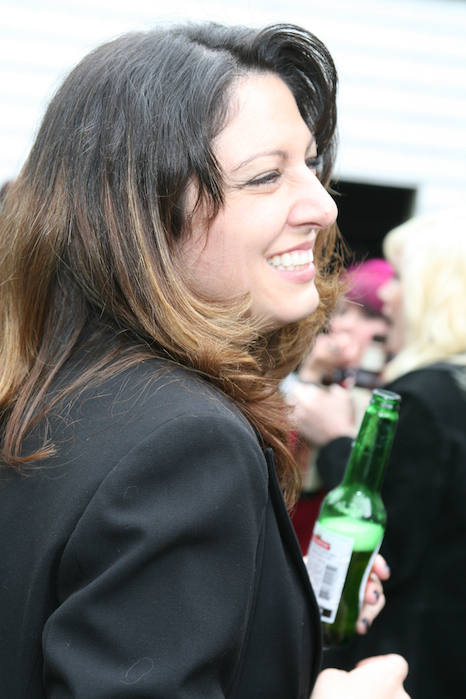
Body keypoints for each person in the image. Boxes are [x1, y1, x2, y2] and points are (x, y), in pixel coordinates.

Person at [0, 21, 409, 699]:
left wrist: (277, 600)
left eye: (310, 164)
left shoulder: (49, 386)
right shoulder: (185, 441)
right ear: (139, 216)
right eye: (266, 176)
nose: (322, 205)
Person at [311, 208, 466, 699]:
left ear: (431, 293)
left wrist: (335, 441)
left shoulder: (425, 399)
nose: (388, 295)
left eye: (399, 278)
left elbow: (383, 539)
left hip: (407, 657)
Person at [283, 258, 394, 553]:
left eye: (368, 315)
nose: (345, 324)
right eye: (343, 311)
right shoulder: (333, 377)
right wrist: (312, 373)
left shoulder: (395, 395)